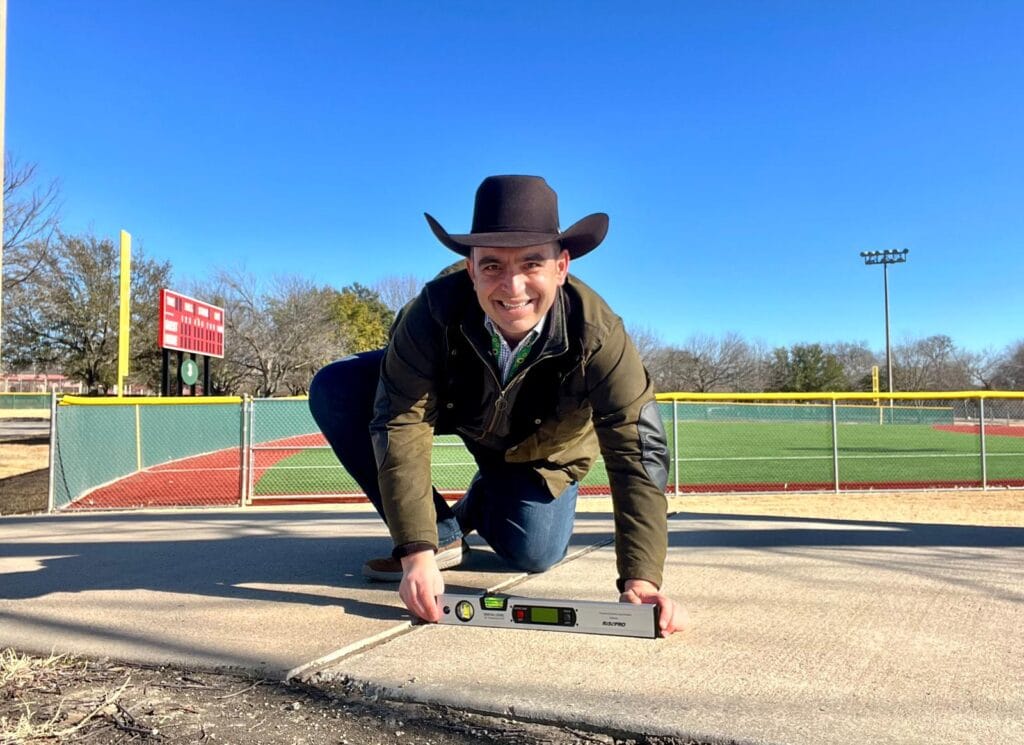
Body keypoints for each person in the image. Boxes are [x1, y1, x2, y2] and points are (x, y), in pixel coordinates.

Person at [309, 175, 687, 636]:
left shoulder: (599, 334)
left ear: (561, 266)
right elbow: (400, 421)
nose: (512, 287)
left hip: (542, 452)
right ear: (470, 268)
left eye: (532, 263)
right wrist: (416, 550)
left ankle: (480, 502)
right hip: (461, 411)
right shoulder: (431, 312)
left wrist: (642, 577)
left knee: (535, 554)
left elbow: (637, 450)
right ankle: (442, 532)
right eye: (491, 266)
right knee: (338, 387)